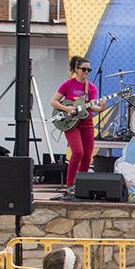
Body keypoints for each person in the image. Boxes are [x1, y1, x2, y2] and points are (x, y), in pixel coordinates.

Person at [51, 55, 105, 189]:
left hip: (86, 122)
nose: (86, 72)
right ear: (76, 69)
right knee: (77, 152)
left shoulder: (91, 87)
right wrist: (67, 108)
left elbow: (92, 106)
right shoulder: (68, 84)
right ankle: (70, 184)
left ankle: (81, 184)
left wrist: (101, 108)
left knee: (87, 155)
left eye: (88, 70)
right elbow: (54, 102)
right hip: (71, 122)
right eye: (84, 69)